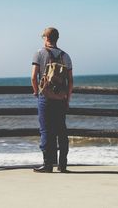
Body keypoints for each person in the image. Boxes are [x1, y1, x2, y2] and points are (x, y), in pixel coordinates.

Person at [31, 27, 73, 173]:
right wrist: (67, 98)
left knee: (46, 131)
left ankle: (48, 164)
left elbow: (33, 77)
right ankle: (62, 165)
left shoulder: (39, 53)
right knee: (61, 130)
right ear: (57, 38)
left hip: (45, 97)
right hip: (61, 98)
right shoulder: (65, 56)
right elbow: (70, 81)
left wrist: (37, 92)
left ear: (46, 38)